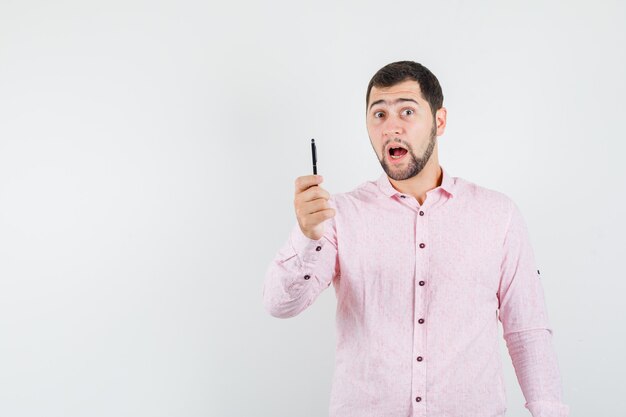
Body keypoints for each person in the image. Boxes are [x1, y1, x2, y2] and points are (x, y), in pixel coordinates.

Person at [262, 61, 569, 417]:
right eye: (379, 114)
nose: (391, 126)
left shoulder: (498, 215)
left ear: (439, 121)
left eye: (407, 111)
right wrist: (306, 236)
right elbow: (280, 305)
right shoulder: (338, 215)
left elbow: (527, 329)